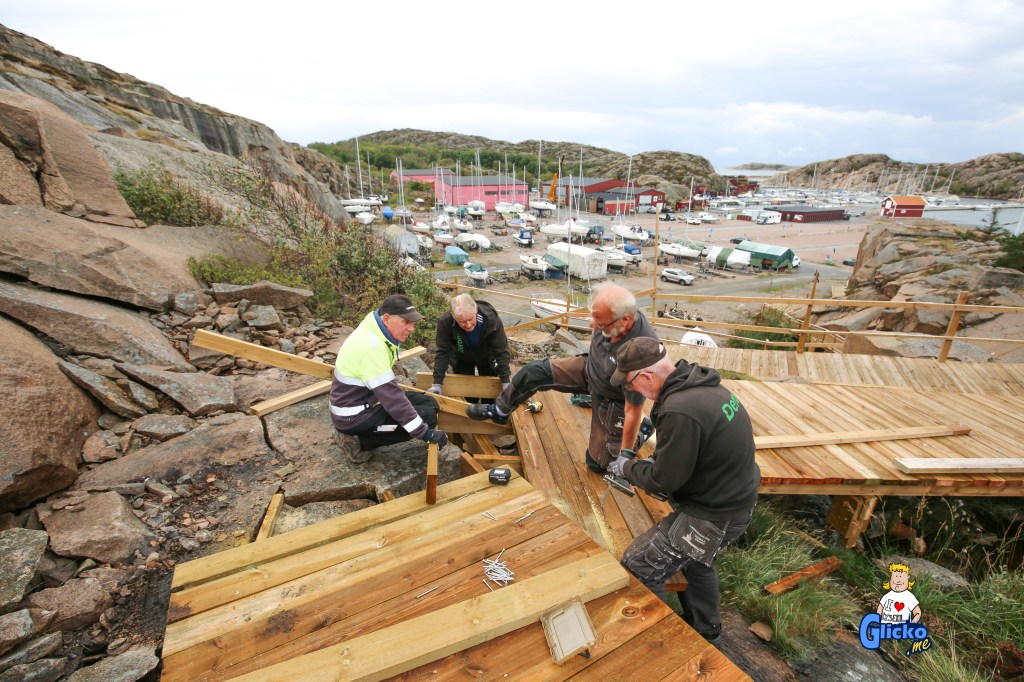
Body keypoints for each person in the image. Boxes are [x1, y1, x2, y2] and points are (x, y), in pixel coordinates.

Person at [607, 336, 759, 644]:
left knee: (639, 565)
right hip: (735, 499)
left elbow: (664, 480)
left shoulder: (680, 409)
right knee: (696, 558)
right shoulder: (700, 384)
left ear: (647, 376)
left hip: (714, 514)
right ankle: (707, 630)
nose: (631, 390)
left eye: (631, 384)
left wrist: (626, 468)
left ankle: (656, 642)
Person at [466, 283, 658, 473]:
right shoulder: (610, 315)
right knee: (534, 372)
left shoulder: (640, 352)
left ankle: (641, 433)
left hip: (612, 398)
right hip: (590, 369)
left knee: (597, 464)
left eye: (599, 324)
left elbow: (633, 409)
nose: (592, 326)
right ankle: (501, 410)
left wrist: (625, 454)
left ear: (624, 321)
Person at [329, 294, 448, 464]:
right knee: (426, 419)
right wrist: (425, 434)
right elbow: (394, 400)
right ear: (386, 319)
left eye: (412, 323)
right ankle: (358, 441)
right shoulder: (372, 349)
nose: (412, 328)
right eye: (406, 322)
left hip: (369, 400)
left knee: (431, 404)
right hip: (354, 416)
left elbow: (389, 393)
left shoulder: (377, 330)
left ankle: (369, 433)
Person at [428, 294, 511, 398]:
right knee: (468, 395)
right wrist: (437, 384)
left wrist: (506, 381)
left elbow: (501, 350)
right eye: (462, 322)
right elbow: (443, 352)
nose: (468, 325)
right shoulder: (446, 322)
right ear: (453, 315)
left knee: (490, 394)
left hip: (487, 356)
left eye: (471, 319)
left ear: (476, 309)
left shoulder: (491, 319)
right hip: (462, 357)